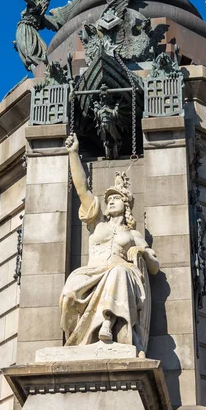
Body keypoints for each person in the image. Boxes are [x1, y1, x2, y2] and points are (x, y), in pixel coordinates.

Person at [60, 134, 159, 354]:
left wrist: (142, 251)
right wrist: (73, 153)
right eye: (109, 199)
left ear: (126, 206)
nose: (111, 201)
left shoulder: (132, 234)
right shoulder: (97, 224)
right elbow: (81, 189)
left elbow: (153, 266)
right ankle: (73, 338)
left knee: (118, 273)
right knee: (69, 291)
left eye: (116, 199)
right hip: (92, 272)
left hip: (121, 273)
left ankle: (107, 323)